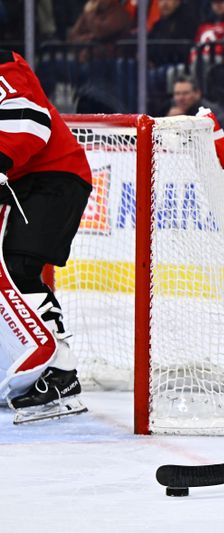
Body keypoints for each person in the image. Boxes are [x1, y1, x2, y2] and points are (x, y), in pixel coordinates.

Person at [0, 50, 93, 424]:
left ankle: (59, 374)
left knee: (18, 267)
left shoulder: (4, 66)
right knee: (12, 270)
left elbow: (31, 121)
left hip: (57, 176)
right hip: (28, 182)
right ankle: (33, 366)